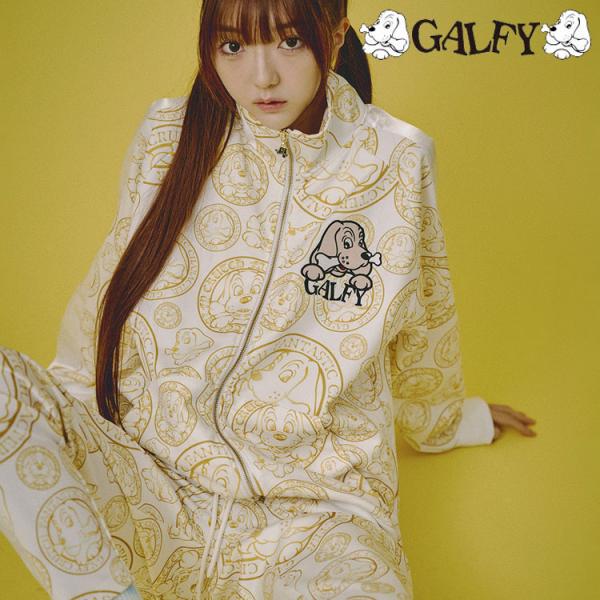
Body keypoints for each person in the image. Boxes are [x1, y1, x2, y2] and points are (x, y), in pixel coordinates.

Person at [0, 1, 538, 599]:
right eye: (233, 46)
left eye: (289, 42)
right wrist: (55, 434)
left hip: (316, 518)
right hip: (148, 486)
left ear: (335, 36)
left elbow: (424, 313)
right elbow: (107, 291)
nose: (262, 77)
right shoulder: (166, 137)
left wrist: (446, 421)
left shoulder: (398, 160)